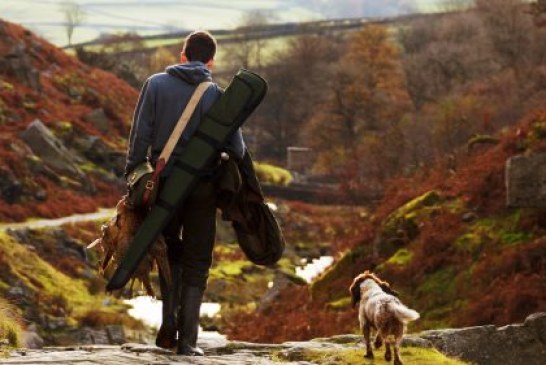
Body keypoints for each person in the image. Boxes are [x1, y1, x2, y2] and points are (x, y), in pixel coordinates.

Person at [124, 30, 245, 356]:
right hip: (202, 188)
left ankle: (167, 328)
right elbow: (237, 147)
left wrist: (135, 179)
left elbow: (139, 139)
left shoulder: (154, 85)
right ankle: (188, 342)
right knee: (197, 260)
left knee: (168, 253)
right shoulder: (218, 95)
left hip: (163, 186)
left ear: (182, 56)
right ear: (210, 61)